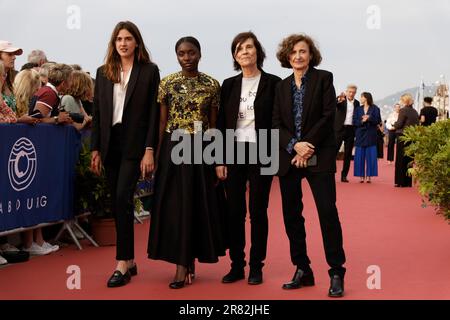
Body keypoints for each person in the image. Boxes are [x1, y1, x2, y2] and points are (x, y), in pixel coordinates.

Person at [148, 36, 226, 289]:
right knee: (175, 206)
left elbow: (214, 126)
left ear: (199, 54)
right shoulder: (167, 83)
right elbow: (162, 122)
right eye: (181, 53)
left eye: (191, 53)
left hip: (201, 148)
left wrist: (217, 159)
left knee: (197, 204)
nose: (186, 58)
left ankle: (188, 260)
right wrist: (156, 154)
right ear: (177, 56)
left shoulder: (212, 84)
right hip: (173, 146)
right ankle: (182, 262)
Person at [272, 34, 346, 297]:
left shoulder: (324, 78)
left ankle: (336, 272)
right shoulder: (281, 87)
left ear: (311, 55)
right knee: (292, 216)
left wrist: (307, 145)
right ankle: (302, 268)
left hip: (318, 155)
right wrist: (295, 145)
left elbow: (329, 116)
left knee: (327, 212)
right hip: (290, 158)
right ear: (287, 56)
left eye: (303, 52)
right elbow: (275, 124)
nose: (298, 56)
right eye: (293, 52)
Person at [91, 21, 160, 288]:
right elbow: (97, 114)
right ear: (114, 43)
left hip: (135, 145)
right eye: (119, 39)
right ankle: (130, 261)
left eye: (128, 38)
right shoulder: (103, 72)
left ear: (136, 43)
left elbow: (154, 115)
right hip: (111, 144)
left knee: (122, 197)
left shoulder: (149, 71)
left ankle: (122, 262)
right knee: (119, 203)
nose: (123, 43)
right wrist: (95, 147)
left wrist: (149, 149)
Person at [216, 32, 280, 285]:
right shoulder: (229, 85)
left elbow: (277, 120)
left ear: (257, 51)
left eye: (249, 47)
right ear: (235, 56)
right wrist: (219, 159)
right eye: (239, 49)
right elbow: (221, 124)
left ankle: (256, 266)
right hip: (233, 152)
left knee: (258, 211)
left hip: (261, 151)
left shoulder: (274, 83)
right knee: (234, 212)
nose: (245, 52)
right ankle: (236, 265)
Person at [353, 92, 381, 183]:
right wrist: (362, 120)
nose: (360, 99)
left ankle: (369, 176)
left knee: (371, 156)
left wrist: (369, 118)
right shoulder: (357, 109)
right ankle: (361, 176)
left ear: (366, 98)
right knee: (359, 156)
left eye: (361, 97)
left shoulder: (375, 108)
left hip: (371, 134)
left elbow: (378, 120)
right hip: (360, 134)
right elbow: (354, 121)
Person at [334, 84, 359, 182]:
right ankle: (331, 173)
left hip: (351, 130)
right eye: (350, 92)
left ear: (355, 93)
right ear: (347, 91)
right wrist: (338, 99)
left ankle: (344, 175)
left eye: (353, 92)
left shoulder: (357, 103)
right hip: (339, 129)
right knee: (334, 151)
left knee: (348, 154)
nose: (351, 94)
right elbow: (334, 104)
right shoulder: (341, 100)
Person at [393, 93, 419, 187]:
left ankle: (400, 181)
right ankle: (408, 182)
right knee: (409, 160)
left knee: (400, 160)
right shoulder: (415, 111)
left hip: (403, 136)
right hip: (412, 137)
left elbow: (399, 124)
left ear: (404, 101)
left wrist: (394, 125)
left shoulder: (403, 110)